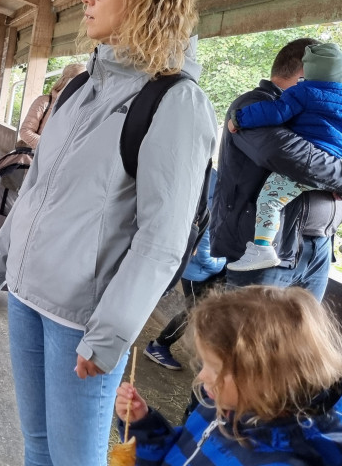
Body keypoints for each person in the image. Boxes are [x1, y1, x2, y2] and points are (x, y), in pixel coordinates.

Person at [0, 0, 217, 466]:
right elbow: (35, 187)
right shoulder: (81, 86)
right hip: (29, 295)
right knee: (37, 446)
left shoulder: (174, 101)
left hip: (82, 317)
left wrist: (108, 335)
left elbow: (160, 239)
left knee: (75, 458)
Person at [115, 285, 342, 465]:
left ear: (265, 379)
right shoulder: (219, 407)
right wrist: (143, 426)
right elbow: (181, 452)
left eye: (215, 368)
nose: (202, 377)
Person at [210, 38, 342, 301]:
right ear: (306, 74)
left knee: (297, 341)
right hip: (271, 251)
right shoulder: (254, 106)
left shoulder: (315, 112)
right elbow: (292, 156)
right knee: (249, 340)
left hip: (317, 247)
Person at [144, 168, 226, 371]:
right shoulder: (216, 203)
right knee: (194, 312)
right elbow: (205, 252)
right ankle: (159, 346)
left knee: (195, 311)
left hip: (198, 269)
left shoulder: (210, 185)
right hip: (197, 271)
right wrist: (224, 262)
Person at [17, 62, 86, 149]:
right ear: (67, 80)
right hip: (38, 157)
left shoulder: (83, 106)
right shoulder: (44, 101)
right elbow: (25, 132)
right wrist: (51, 147)